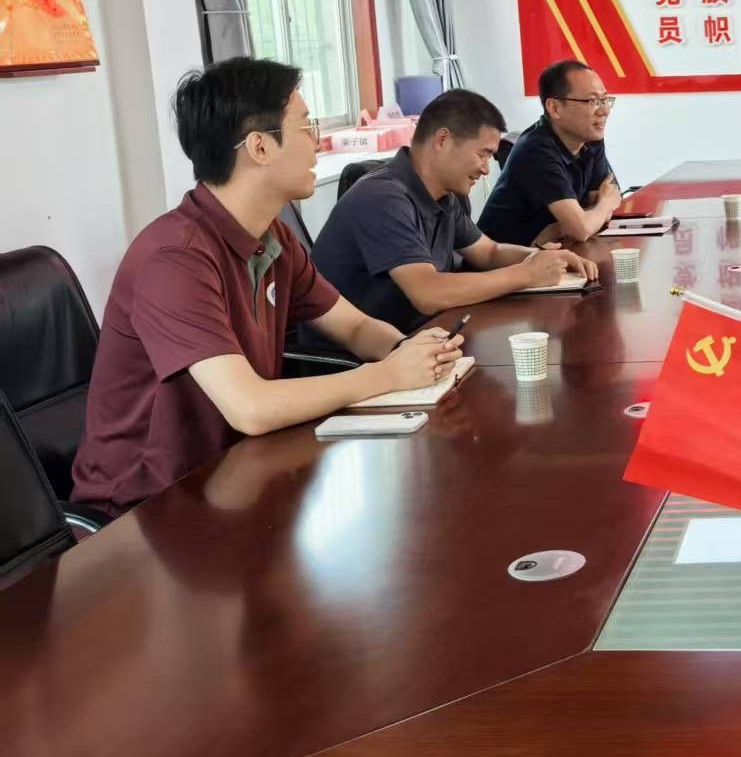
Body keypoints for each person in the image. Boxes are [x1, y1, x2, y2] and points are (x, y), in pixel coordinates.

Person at [71, 58, 464, 516]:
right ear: (259, 146)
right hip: (148, 510)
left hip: (237, 477)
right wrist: (388, 375)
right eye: (306, 126)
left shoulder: (272, 237)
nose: (316, 142)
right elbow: (250, 407)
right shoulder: (174, 259)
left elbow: (355, 327)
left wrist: (412, 352)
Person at [312, 89, 598, 333]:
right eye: (483, 154)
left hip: (424, 336)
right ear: (443, 140)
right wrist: (526, 274)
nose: (486, 169)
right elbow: (428, 293)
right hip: (364, 359)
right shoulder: (383, 198)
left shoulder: (443, 196)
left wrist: (540, 258)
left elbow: (489, 252)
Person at [478, 59, 622, 247]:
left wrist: (564, 227)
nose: (604, 111)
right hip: (502, 259)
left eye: (605, 100)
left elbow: (599, 215)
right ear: (554, 108)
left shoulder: (590, 138)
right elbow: (583, 227)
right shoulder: (536, 150)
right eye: (592, 101)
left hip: (550, 250)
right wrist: (605, 204)